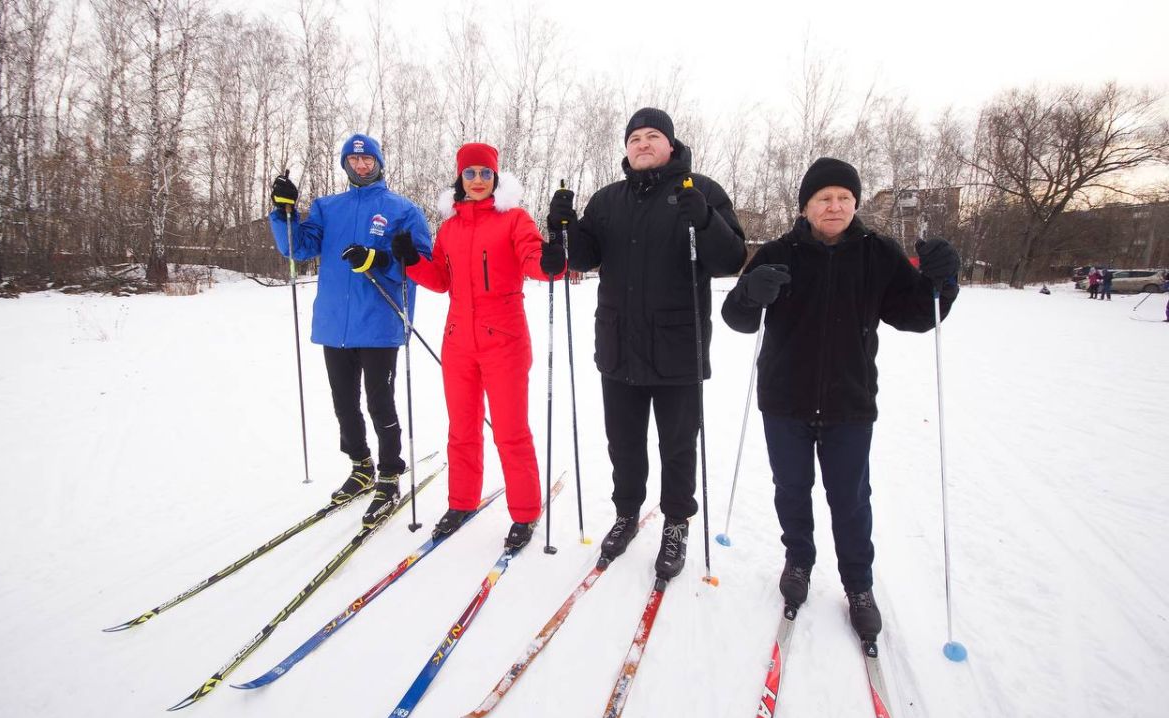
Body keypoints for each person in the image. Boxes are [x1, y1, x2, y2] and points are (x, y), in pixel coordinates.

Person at [720, 156, 959, 641]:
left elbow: (915, 314)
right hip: (785, 399)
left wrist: (942, 282)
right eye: (824, 198)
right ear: (806, 205)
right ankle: (799, 561)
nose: (835, 206)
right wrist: (751, 293)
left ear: (855, 204)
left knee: (850, 499)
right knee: (791, 489)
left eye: (844, 199)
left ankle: (858, 585)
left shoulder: (878, 254)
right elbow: (737, 318)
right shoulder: (778, 252)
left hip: (849, 402)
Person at [545, 107, 747, 580]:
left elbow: (730, 260)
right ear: (626, 149)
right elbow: (582, 258)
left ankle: (676, 523)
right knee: (624, 443)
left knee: (678, 444)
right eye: (634, 138)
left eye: (652, 136)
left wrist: (706, 221)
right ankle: (626, 512)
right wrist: (564, 225)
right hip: (618, 345)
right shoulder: (607, 199)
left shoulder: (702, 191)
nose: (642, 144)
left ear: (671, 146)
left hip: (678, 349)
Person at [390, 143, 558, 552]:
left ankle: (524, 512)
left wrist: (554, 260)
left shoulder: (514, 219)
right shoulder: (450, 228)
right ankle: (461, 502)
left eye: (485, 173)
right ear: (460, 179)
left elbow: (534, 260)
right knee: (462, 430)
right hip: (458, 344)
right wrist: (412, 259)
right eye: (470, 173)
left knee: (510, 431)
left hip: (505, 341)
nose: (478, 180)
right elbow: (440, 279)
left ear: (496, 178)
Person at [268, 134, 432, 523]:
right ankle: (361, 466)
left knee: (379, 402)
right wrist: (284, 212)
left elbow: (419, 263)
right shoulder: (328, 207)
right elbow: (298, 247)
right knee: (344, 403)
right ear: (345, 164)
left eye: (367, 159)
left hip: (378, 321)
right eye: (354, 160)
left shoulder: (402, 209)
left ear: (378, 163)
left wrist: (377, 258)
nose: (361, 166)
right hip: (334, 324)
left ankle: (390, 471)